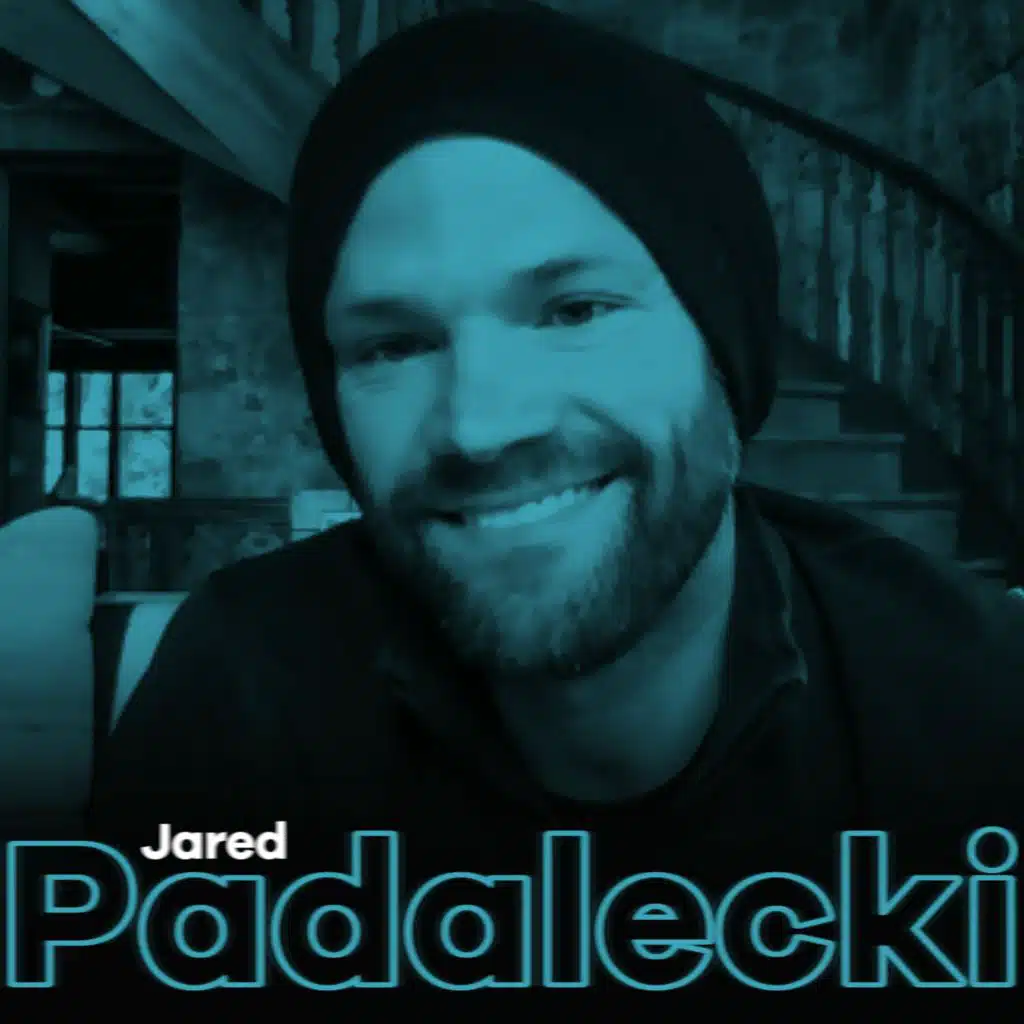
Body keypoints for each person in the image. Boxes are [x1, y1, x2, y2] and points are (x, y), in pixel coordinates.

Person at [82, 3, 1023, 1004]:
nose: (479, 426)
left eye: (575, 310)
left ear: (723, 347)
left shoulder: (969, 710)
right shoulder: (244, 687)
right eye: (394, 345)